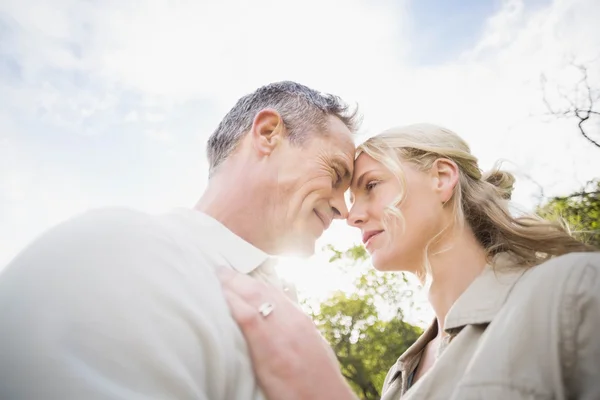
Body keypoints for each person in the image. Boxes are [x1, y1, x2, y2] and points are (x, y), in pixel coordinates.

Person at [0, 81, 360, 399]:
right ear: (268, 133)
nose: (343, 210)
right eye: (336, 173)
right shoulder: (116, 255)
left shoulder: (288, 307)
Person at [218, 123, 600, 400]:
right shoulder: (399, 379)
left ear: (441, 177)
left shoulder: (570, 290)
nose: (352, 216)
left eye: (371, 186)